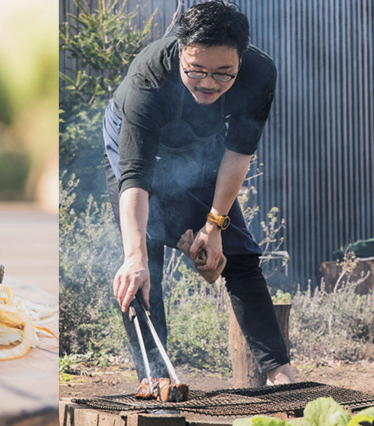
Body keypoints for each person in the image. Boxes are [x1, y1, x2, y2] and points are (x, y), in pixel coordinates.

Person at [102, 0, 295, 385]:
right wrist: (134, 255)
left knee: (238, 254)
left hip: (200, 147)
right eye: (196, 71)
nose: (209, 83)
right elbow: (135, 174)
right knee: (142, 266)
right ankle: (154, 378)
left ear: (241, 60)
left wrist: (214, 225)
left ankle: (280, 372)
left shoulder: (260, 74)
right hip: (136, 151)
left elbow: (239, 154)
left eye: (224, 73)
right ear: (180, 52)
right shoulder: (150, 78)